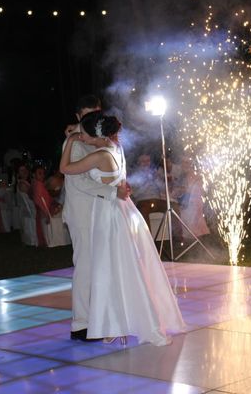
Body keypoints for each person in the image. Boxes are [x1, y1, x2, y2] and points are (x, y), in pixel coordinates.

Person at [60, 112, 185, 346]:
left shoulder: (99, 155)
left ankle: (114, 322)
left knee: (108, 268)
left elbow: (65, 168)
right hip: (120, 210)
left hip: (107, 214)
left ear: (96, 135)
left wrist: (71, 141)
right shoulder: (116, 148)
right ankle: (118, 321)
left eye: (85, 135)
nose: (82, 138)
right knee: (123, 266)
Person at [62, 95, 129, 342]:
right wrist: (113, 191)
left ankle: (102, 319)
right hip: (83, 213)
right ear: (79, 116)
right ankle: (81, 323)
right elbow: (77, 180)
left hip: (104, 211)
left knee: (103, 265)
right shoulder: (75, 142)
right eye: (88, 114)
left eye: (97, 113)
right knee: (86, 266)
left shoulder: (106, 140)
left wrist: (119, 186)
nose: (93, 119)